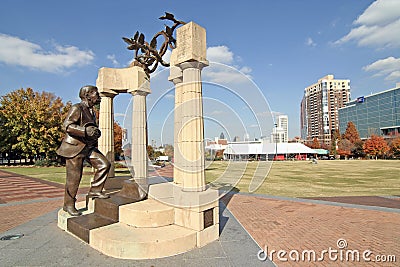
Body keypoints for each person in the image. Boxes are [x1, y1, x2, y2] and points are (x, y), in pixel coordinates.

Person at [57, 85, 110, 216]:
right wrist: (85, 131)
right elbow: (67, 125)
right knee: (74, 178)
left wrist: (95, 133)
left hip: (87, 147)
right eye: (96, 93)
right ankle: (68, 205)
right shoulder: (77, 108)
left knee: (104, 164)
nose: (98, 96)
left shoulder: (92, 111)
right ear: (87, 96)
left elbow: (90, 127)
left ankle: (95, 190)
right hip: (74, 147)